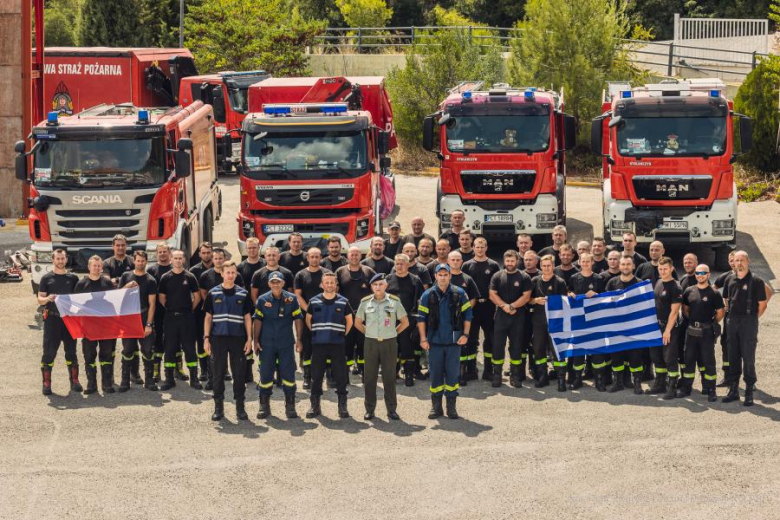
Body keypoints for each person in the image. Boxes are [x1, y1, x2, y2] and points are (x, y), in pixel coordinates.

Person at [418, 264, 473, 420]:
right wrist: (423, 338)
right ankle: (436, 407)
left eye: (445, 274)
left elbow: (468, 316)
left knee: (453, 375)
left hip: (454, 340)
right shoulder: (428, 295)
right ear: (435, 276)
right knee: (435, 374)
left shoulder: (460, 293)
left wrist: (466, 335)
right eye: (440, 274)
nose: (442, 277)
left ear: (450, 276)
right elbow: (421, 319)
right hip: (434, 340)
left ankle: (451, 407)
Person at [203, 260, 253, 421]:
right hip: (218, 339)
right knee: (217, 374)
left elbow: (247, 318)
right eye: (228, 272)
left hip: (238, 338)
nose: (230, 275)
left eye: (233, 272)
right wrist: (206, 338)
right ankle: (219, 408)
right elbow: (208, 318)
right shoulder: (213, 293)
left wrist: (249, 339)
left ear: (236, 274)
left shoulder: (243, 294)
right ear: (222, 274)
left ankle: (240, 407)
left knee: (239, 374)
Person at [355, 273, 409, 420]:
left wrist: (393, 333)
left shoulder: (394, 301)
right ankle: (370, 409)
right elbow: (357, 322)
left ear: (386, 285)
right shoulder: (365, 302)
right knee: (370, 378)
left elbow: (405, 322)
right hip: (371, 343)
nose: (378, 287)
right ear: (371, 287)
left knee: (389, 377)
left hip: (389, 343)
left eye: (381, 284)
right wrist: (369, 333)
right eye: (375, 285)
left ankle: (391, 409)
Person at [721, 251, 770, 406]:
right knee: (733, 355)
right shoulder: (729, 279)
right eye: (736, 260)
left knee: (748, 357)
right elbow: (726, 299)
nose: (739, 263)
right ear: (733, 263)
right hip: (732, 320)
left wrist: (752, 319)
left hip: (749, 321)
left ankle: (749, 390)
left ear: (748, 261)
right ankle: (734, 390)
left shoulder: (756, 281)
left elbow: (762, 305)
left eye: (742, 260)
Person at [254, 271, 304, 419]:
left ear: (283, 283)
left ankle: (290, 407)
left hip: (286, 343)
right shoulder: (262, 300)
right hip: (267, 343)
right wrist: (255, 341)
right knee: (265, 374)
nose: (276, 284)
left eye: (278, 282)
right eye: (273, 282)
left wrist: (299, 340)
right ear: (269, 284)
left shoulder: (292, 299)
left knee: (288, 375)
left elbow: (298, 319)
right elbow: (257, 320)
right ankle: (264, 406)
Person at [306, 272, 354, 419]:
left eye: (332, 282)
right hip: (319, 344)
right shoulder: (313, 301)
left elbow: (350, 321)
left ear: (336, 285)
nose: (329, 285)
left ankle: (342, 406)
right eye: (326, 282)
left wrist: (342, 334)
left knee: (340, 376)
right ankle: (315, 406)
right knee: (316, 376)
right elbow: (308, 320)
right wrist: (316, 333)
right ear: (322, 284)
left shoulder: (343, 301)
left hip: (337, 344)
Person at [198, 248, 246, 385]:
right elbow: (204, 294)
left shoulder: (236, 276)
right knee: (215, 353)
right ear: (213, 260)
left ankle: (226, 372)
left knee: (230, 352)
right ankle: (212, 378)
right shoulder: (206, 275)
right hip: (215, 317)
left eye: (221, 258)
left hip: (232, 319)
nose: (218, 261)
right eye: (216, 258)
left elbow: (241, 294)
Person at [37, 249, 81, 395]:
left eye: (63, 259)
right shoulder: (46, 278)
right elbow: (40, 299)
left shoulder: (73, 278)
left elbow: (80, 299)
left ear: (66, 260)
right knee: (49, 353)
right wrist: (48, 298)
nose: (61, 261)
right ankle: (46, 383)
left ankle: (74, 381)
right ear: (53, 260)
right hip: (52, 319)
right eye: (58, 259)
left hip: (69, 320)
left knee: (71, 352)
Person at [679, 264, 724, 402]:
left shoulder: (714, 293)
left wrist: (708, 324)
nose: (700, 275)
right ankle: (687, 388)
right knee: (689, 359)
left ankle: (711, 390)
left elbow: (720, 313)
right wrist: (694, 322)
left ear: (708, 275)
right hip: (691, 331)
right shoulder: (689, 291)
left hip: (707, 332)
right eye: (698, 272)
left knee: (708, 360)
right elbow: (685, 310)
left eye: (703, 272)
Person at [157, 250, 202, 391]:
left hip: (186, 317)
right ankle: (169, 379)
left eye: (180, 258)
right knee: (169, 348)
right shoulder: (165, 277)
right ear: (171, 259)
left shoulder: (190, 277)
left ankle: (194, 378)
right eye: (175, 258)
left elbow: (197, 297)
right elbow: (161, 298)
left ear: (183, 260)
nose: (177, 260)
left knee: (189, 348)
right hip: (170, 317)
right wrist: (171, 308)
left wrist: (188, 310)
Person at [488, 250, 533, 388]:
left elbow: (526, 296)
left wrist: (512, 306)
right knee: (497, 346)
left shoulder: (524, 277)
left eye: (512, 261)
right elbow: (492, 294)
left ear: (517, 261)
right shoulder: (497, 276)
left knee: (516, 347)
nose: (510, 263)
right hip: (501, 315)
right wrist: (503, 306)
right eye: (507, 261)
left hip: (518, 316)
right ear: (504, 261)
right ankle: (497, 375)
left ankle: (515, 376)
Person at [75, 255, 117, 394]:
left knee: (106, 356)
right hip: (88, 328)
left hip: (105, 328)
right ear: (89, 267)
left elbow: (114, 303)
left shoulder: (107, 283)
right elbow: (75, 305)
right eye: (94, 265)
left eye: (99, 266)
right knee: (89, 356)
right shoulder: (81, 285)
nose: (97, 268)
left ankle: (106, 384)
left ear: (101, 267)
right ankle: (91, 385)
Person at [118, 251, 158, 392]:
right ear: (134, 261)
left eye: (143, 261)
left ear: (146, 262)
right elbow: (118, 297)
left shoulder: (151, 280)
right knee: (128, 350)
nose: (140, 263)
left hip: (143, 315)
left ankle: (149, 380)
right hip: (129, 317)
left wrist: (149, 324)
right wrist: (127, 286)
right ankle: (125, 381)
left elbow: (152, 304)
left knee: (147, 350)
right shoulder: (125, 276)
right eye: (138, 260)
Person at [605, 255, 644, 394]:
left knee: (635, 357)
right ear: (619, 266)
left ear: (633, 266)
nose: (625, 267)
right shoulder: (612, 282)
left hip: (634, 327)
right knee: (617, 356)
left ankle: (637, 383)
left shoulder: (640, 284)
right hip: (616, 327)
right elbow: (606, 303)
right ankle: (618, 382)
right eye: (623, 264)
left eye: (628, 264)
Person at [529, 255, 570, 391]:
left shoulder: (560, 282)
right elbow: (528, 300)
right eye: (544, 265)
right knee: (538, 349)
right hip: (538, 320)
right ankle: (542, 377)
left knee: (557, 350)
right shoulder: (535, 280)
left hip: (555, 321)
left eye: (549, 265)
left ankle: (561, 379)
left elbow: (565, 302)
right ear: (540, 266)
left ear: (553, 266)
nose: (546, 268)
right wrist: (535, 301)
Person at [462, 237, 500, 381]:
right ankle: (471, 370)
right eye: (477, 247)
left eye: (482, 246)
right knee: (471, 339)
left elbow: (496, 286)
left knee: (490, 338)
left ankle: (488, 370)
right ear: (473, 247)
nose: (480, 249)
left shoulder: (494, 265)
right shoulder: (467, 265)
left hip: (488, 306)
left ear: (486, 247)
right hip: (473, 306)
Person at [386, 254, 426, 387]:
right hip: (391, 319)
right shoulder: (388, 279)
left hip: (409, 319)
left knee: (407, 347)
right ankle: (393, 373)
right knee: (392, 347)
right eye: (397, 263)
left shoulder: (415, 280)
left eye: (402, 263)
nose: (399, 266)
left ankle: (409, 374)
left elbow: (421, 302)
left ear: (408, 265)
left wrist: (418, 322)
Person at [566, 253, 605, 390]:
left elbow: (605, 298)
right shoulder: (574, 278)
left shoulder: (599, 278)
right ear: (579, 262)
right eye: (583, 261)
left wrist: (597, 295)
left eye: (588, 261)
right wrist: (570, 295)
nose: (586, 263)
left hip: (595, 320)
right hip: (579, 320)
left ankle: (599, 379)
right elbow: (568, 293)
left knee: (597, 351)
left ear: (592, 262)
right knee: (579, 350)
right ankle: (577, 379)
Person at [294, 247, 330, 389]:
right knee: (307, 345)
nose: (314, 259)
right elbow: (298, 295)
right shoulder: (301, 275)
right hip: (306, 316)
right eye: (312, 257)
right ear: (307, 258)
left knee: (325, 344)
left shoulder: (327, 274)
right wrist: (309, 310)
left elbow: (332, 291)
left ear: (321, 257)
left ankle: (328, 375)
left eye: (317, 256)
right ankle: (307, 376)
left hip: (325, 315)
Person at [336, 247, 376, 376]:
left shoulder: (368, 271)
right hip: (345, 316)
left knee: (363, 344)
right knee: (347, 344)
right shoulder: (340, 271)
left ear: (361, 256)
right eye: (352, 254)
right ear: (347, 256)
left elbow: (377, 290)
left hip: (365, 316)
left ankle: (364, 372)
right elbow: (334, 292)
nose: (354, 257)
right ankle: (345, 374)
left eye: (357, 254)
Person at [646, 257, 682, 400]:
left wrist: (667, 331)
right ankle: (659, 383)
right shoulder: (659, 283)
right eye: (660, 269)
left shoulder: (676, 287)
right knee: (656, 356)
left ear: (671, 268)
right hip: (656, 326)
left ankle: (672, 388)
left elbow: (674, 312)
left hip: (669, 328)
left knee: (670, 358)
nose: (662, 271)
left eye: (665, 269)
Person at [447, 251, 480, 386]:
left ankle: (462, 373)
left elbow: (473, 298)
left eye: (457, 260)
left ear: (461, 262)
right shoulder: (443, 277)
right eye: (453, 259)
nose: (455, 262)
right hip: (447, 319)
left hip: (462, 319)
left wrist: (464, 310)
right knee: (448, 346)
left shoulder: (467, 279)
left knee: (463, 346)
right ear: (448, 261)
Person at [189, 242, 214, 384]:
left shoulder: (220, 269)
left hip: (218, 311)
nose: (206, 255)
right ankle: (204, 369)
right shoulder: (193, 271)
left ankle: (222, 369)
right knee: (201, 339)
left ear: (212, 252)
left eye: (208, 252)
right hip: (200, 311)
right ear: (199, 254)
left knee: (218, 339)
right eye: (203, 253)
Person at [148, 243, 173, 382]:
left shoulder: (175, 268)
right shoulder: (151, 270)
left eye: (165, 251)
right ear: (156, 254)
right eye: (160, 252)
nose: (162, 254)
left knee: (174, 340)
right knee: (157, 340)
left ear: (169, 253)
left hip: (172, 311)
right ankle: (156, 371)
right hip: (156, 311)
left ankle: (177, 369)